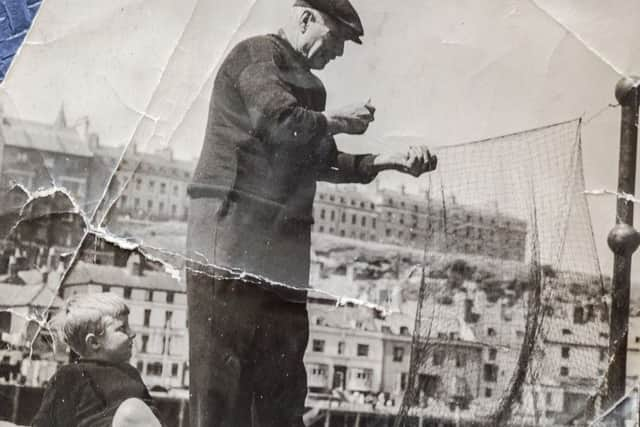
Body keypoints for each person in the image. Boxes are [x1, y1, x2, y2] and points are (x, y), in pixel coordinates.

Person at [185, 0, 437, 425]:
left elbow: (321, 160)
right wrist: (334, 120)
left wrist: (387, 160)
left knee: (282, 383)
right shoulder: (255, 56)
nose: (338, 52)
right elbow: (278, 121)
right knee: (221, 384)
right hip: (229, 237)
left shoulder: (312, 91)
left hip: (282, 247)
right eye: (337, 37)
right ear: (306, 19)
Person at [31, 293, 162, 427]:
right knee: (131, 411)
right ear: (94, 342)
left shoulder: (131, 373)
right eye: (122, 328)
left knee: (133, 410)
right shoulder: (69, 375)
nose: (133, 333)